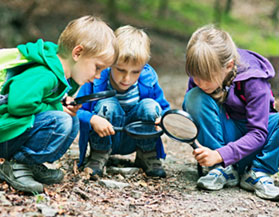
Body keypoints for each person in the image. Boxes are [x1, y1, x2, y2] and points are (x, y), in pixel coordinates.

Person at [0, 15, 118, 193]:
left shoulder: (58, 74)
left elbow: (42, 100)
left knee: (72, 120)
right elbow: (18, 105)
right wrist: (56, 107)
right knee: (60, 120)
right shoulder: (45, 74)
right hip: (5, 133)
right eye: (98, 67)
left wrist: (61, 102)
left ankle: (30, 163)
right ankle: (17, 165)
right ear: (77, 53)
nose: (98, 76)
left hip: (13, 132)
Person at [182, 25, 279, 200]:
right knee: (194, 97)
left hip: (257, 144)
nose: (200, 83)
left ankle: (258, 172)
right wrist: (173, 124)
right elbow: (195, 121)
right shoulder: (200, 75)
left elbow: (258, 133)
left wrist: (220, 155)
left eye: (206, 78)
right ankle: (223, 169)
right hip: (223, 140)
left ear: (229, 66)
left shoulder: (254, 80)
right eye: (195, 77)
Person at [77, 25, 170, 178]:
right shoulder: (97, 79)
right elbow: (77, 110)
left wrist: (161, 120)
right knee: (107, 104)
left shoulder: (148, 80)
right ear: (110, 62)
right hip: (106, 136)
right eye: (120, 70)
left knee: (150, 106)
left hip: (135, 137)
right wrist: (92, 119)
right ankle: (99, 155)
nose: (127, 79)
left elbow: (165, 109)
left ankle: (146, 154)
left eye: (135, 72)